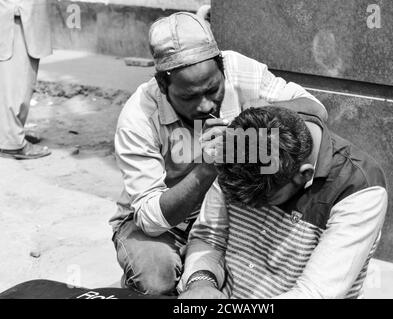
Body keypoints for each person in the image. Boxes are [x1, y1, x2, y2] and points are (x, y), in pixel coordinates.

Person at [109, 11, 328, 295]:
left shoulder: (241, 69)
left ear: (222, 68)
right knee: (157, 278)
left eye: (213, 90)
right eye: (188, 97)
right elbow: (150, 220)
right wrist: (205, 170)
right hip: (164, 223)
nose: (204, 106)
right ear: (163, 85)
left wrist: (259, 115)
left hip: (232, 210)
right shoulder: (137, 118)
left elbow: (316, 109)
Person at [178, 106, 388, 299]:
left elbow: (314, 293)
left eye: (263, 202)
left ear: (303, 176)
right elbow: (209, 236)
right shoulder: (239, 144)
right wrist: (201, 284)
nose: (248, 208)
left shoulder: (359, 188)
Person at [0, 0, 52, 159]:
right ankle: (12, 142)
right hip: (16, 15)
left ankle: (11, 132)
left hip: (20, 12)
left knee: (17, 79)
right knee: (16, 81)